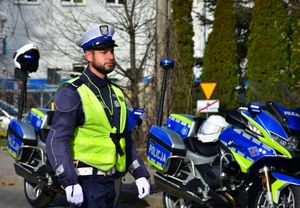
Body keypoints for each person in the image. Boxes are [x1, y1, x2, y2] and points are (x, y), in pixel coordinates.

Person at [45, 24, 150, 208]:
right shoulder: (72, 92)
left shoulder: (115, 92)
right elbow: (56, 140)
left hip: (112, 183)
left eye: (111, 51)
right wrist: (69, 180)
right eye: (103, 52)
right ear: (88, 55)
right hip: (85, 183)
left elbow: (123, 138)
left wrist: (140, 173)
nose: (110, 56)